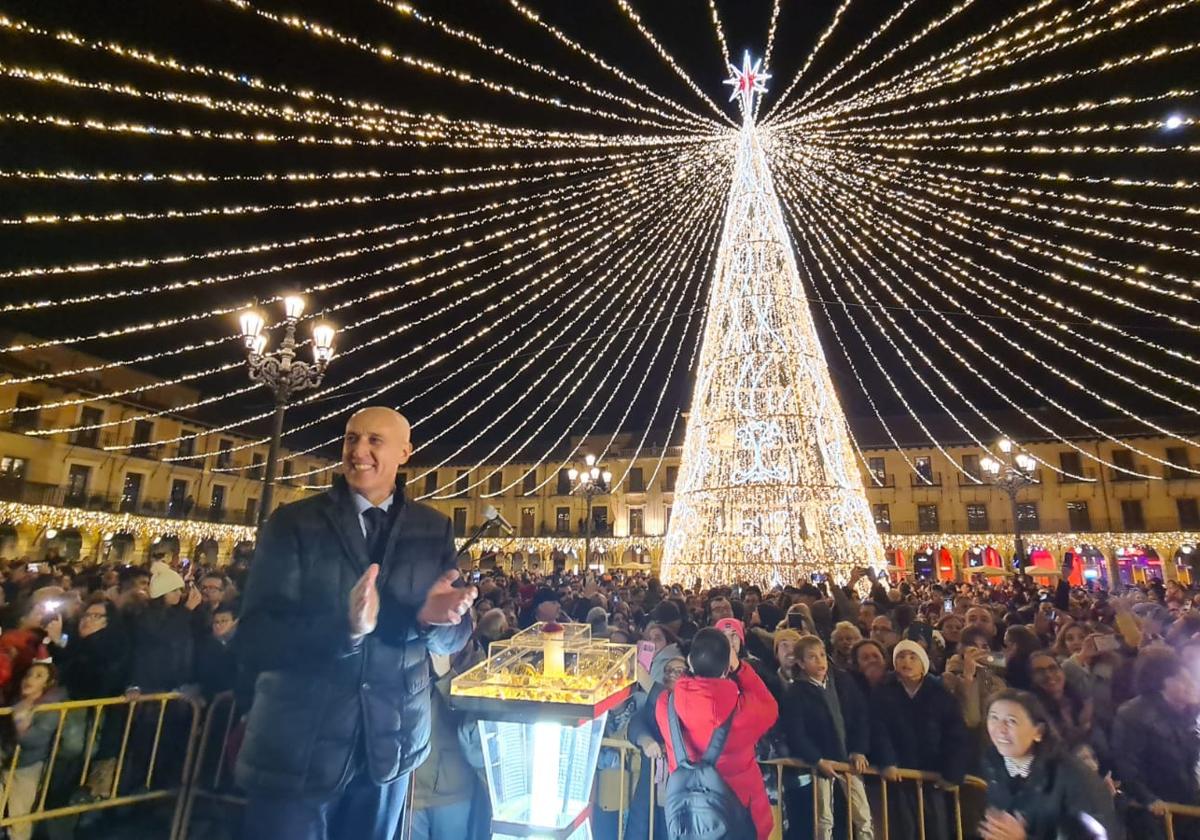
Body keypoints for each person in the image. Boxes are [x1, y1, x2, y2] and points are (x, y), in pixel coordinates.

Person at [235, 407, 477, 840]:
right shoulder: (294, 523)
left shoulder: (433, 528)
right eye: (350, 438)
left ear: (405, 452)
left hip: (387, 748)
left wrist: (436, 621)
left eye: (374, 441)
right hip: (297, 750)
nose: (357, 451)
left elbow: (453, 638)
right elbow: (255, 637)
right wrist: (343, 630)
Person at [655, 627, 779, 840]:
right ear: (726, 669)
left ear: (690, 662)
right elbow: (769, 707)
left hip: (689, 819)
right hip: (741, 815)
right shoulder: (745, 712)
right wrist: (740, 668)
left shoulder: (666, 705)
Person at [979, 690, 1119, 840]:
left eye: (1012, 721)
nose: (1000, 729)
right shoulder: (992, 766)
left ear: (1038, 731)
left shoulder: (1074, 777)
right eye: (993, 718)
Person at [872, 640, 969, 840]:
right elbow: (878, 730)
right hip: (899, 778)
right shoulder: (884, 694)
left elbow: (955, 735)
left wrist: (952, 772)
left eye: (912, 657)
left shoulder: (941, 695)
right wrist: (887, 761)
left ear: (923, 663)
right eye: (900, 656)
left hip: (933, 778)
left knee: (936, 830)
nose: (906, 661)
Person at [782, 635, 874, 840]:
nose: (820, 661)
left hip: (848, 760)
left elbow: (860, 716)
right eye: (812, 657)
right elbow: (796, 732)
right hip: (823, 763)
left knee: (863, 816)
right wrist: (816, 759)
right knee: (824, 819)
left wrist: (859, 749)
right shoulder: (796, 692)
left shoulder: (842, 681)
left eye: (822, 655)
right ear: (801, 663)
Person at [1111, 646, 1200, 839]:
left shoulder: (1190, 710)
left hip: (1192, 798)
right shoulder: (1133, 715)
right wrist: (1149, 800)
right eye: (1180, 679)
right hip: (1163, 811)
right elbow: (1127, 766)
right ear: (1160, 684)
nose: (1190, 684)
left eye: (1190, 678)